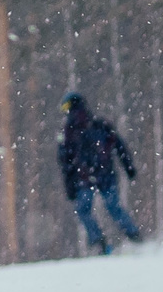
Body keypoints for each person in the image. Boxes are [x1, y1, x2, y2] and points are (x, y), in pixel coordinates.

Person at [58, 92, 144, 253]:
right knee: (113, 207)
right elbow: (119, 145)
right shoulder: (99, 124)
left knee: (83, 210)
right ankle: (134, 236)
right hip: (105, 175)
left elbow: (65, 160)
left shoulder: (68, 132)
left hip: (84, 178)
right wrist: (128, 167)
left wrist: (69, 184)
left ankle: (100, 242)